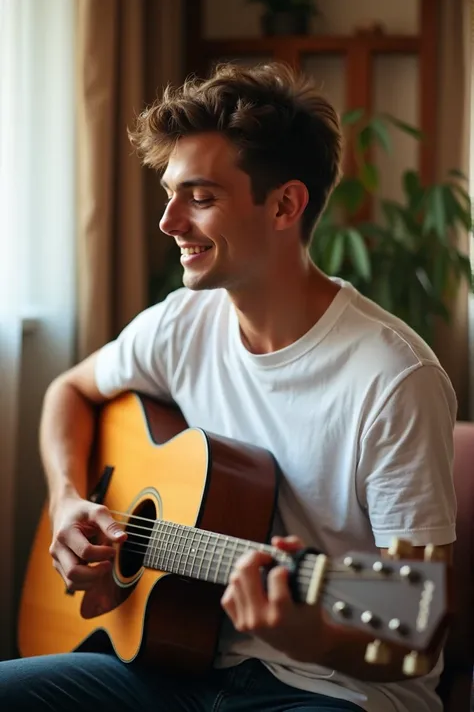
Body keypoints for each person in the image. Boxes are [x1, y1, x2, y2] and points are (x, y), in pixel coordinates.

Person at [0, 62, 456, 712]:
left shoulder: (394, 379)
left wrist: (311, 635)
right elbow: (67, 393)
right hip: (174, 661)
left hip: (332, 689)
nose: (167, 222)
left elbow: (417, 627)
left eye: (200, 196)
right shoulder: (184, 323)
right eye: (169, 193)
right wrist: (71, 499)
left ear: (285, 205)